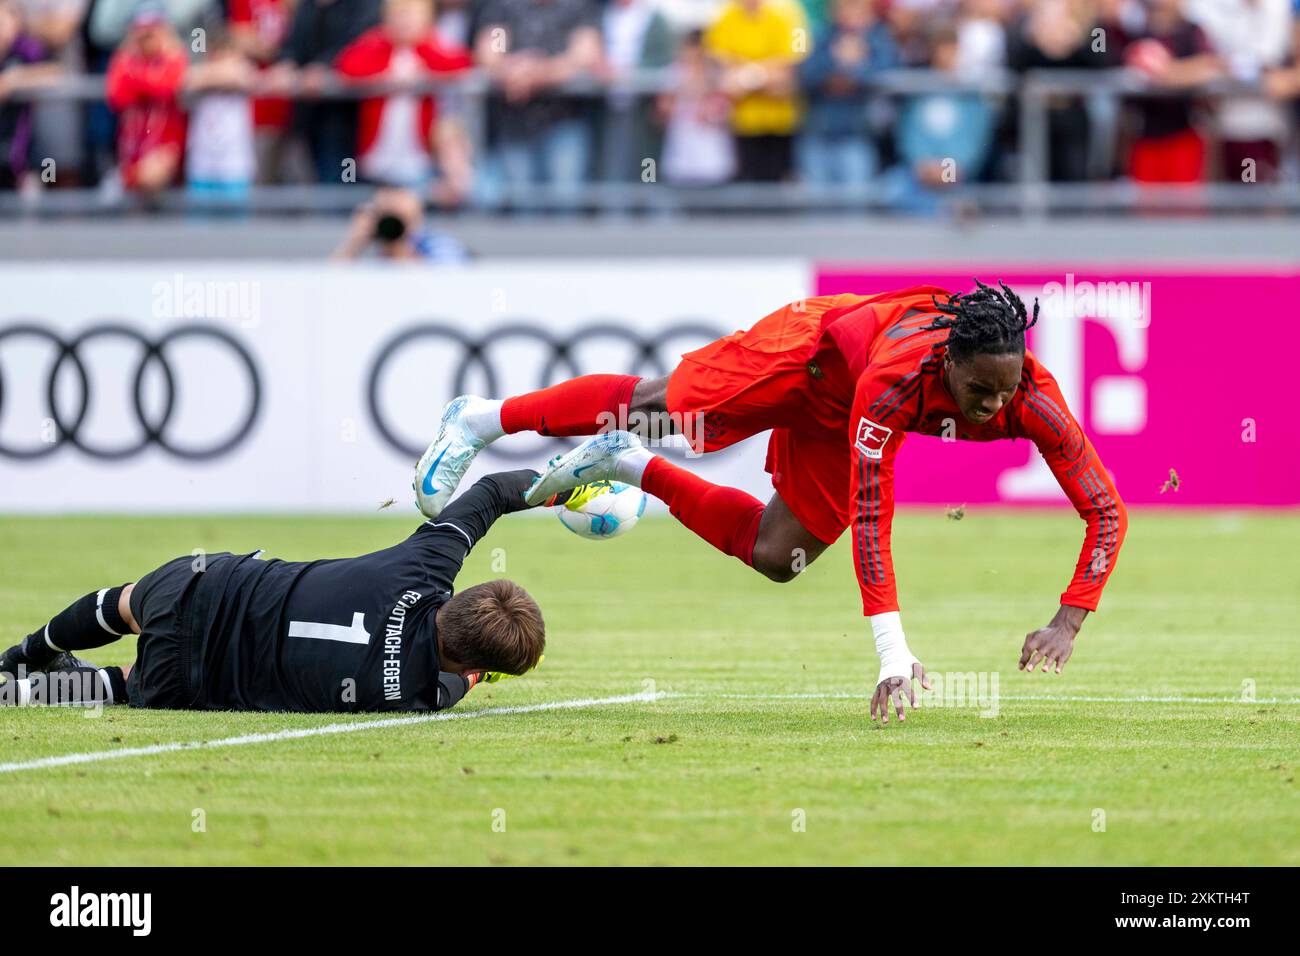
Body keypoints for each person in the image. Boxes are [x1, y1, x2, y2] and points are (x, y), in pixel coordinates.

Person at [413, 281, 1129, 724]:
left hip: (835, 412)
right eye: (979, 391)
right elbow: (873, 522)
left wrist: (1069, 620)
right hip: (808, 352)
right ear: (949, 363)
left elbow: (1106, 510)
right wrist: (892, 653)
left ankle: (628, 467)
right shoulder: (896, 384)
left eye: (1005, 390)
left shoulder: (1033, 402)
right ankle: (480, 418)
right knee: (666, 407)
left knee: (776, 556)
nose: (992, 406)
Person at [0, 469, 583, 712]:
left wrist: (568, 486)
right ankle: (17, 696)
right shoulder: (412, 694)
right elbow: (457, 684)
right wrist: (482, 673)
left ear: (457, 598)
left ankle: (23, 655)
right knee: (128, 686)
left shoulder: (423, 570)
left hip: (208, 587)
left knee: (125, 602)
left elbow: (490, 491)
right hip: (198, 678)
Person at [335, 0, 474, 198]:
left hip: (417, 155)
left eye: (410, 17)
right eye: (399, 17)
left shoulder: (429, 47)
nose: (404, 24)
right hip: (377, 154)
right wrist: (385, 77)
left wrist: (426, 59)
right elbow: (347, 65)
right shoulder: (377, 45)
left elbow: (461, 63)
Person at [104, 1, 187, 198]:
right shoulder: (124, 58)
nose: (146, 39)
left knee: (153, 177)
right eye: (141, 33)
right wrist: (148, 79)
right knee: (135, 212)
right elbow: (116, 96)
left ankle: (122, 179)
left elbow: (169, 86)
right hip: (133, 145)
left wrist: (138, 79)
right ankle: (124, 179)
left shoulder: (175, 56)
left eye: (152, 32)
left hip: (166, 145)